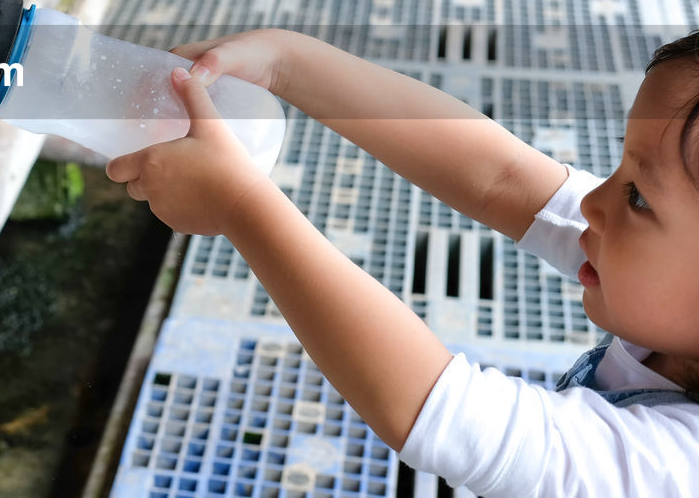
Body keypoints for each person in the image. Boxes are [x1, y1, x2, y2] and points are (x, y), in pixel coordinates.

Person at [106, 28, 699, 495]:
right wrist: (289, 63)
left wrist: (238, 204)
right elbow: (504, 178)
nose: (593, 202)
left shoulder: (670, 473)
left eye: (638, 196)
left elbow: (435, 406)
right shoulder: (660, 279)